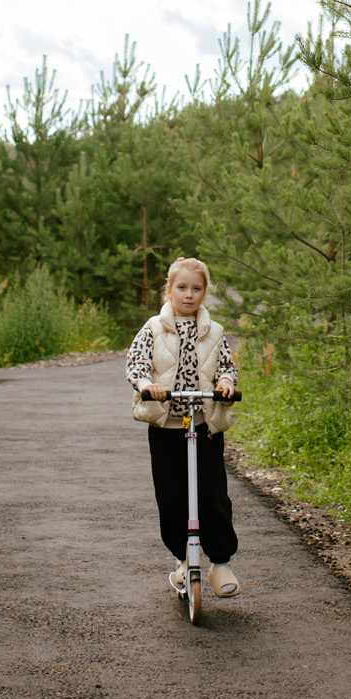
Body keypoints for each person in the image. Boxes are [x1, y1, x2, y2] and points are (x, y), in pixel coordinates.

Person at [126, 256, 241, 598]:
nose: (188, 295)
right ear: (169, 289)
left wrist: (225, 382)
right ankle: (181, 558)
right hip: (167, 425)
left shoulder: (215, 331)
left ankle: (220, 563)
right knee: (172, 495)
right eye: (182, 288)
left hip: (203, 424)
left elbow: (226, 367)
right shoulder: (153, 327)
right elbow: (136, 363)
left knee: (212, 494)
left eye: (196, 288)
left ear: (204, 292)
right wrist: (147, 384)